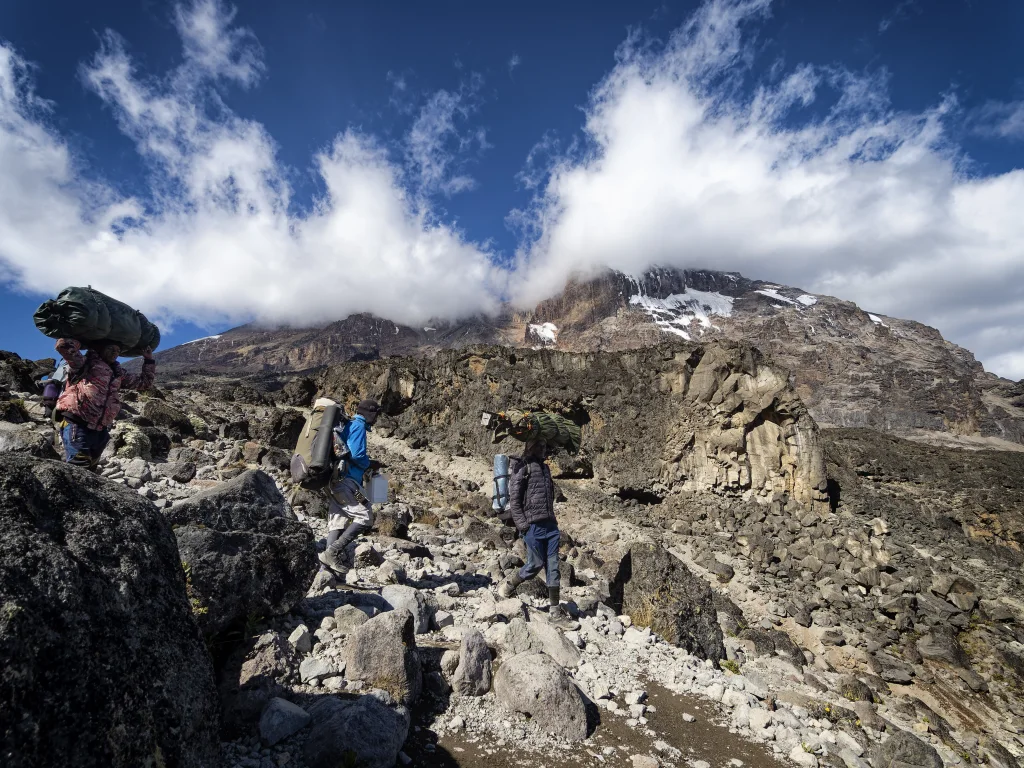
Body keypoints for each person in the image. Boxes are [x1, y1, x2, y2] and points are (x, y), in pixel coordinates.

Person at [498, 439, 577, 629]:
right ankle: (509, 585)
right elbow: (515, 502)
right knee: (535, 564)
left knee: (554, 567)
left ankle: (555, 612)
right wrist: (524, 527)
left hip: (550, 527)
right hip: (533, 527)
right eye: (540, 446)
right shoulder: (521, 468)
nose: (544, 449)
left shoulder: (545, 469)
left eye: (545, 446)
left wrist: (554, 523)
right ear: (531, 447)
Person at [54, 338, 155, 469]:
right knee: (79, 466)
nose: (115, 353)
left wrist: (148, 359)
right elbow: (63, 346)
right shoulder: (85, 363)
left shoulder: (118, 373)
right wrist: (79, 338)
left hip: (100, 429)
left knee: (91, 468)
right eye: (110, 349)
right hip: (77, 423)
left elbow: (144, 384)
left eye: (118, 351)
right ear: (100, 348)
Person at [318, 398, 382, 574]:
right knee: (366, 515)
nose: (377, 419)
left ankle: (326, 573)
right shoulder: (359, 426)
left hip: (334, 481)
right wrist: (371, 464)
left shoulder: (347, 423)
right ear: (370, 413)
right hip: (348, 483)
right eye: (376, 414)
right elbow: (356, 455)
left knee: (337, 523)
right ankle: (332, 552)